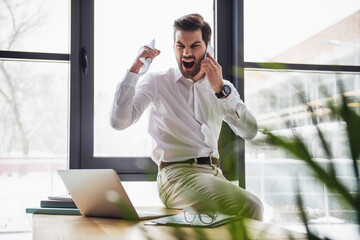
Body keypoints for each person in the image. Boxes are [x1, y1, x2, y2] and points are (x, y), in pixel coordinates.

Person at [110, 13, 263, 221]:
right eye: (180, 45)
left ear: (208, 49)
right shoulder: (157, 82)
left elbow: (250, 131)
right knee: (252, 206)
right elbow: (118, 122)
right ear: (173, 46)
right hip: (176, 176)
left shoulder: (222, 87)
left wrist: (220, 90)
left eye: (195, 46)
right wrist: (134, 71)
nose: (186, 52)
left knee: (236, 220)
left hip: (214, 175)